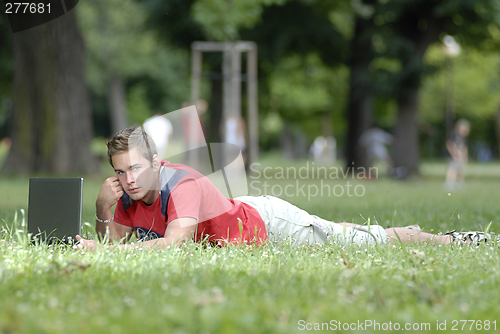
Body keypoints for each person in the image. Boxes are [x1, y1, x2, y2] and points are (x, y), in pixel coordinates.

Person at [76, 127, 488, 250]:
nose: (129, 179)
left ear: (156, 163)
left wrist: (107, 250)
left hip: (269, 225)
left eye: (135, 169)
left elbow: (174, 243)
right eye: (120, 172)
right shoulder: (127, 195)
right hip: (244, 221)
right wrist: (101, 209)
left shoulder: (180, 182)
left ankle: (454, 239)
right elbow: (115, 245)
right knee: (347, 234)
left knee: (365, 241)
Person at [445, 119, 470, 189]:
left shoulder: (463, 138)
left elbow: (464, 148)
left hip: (460, 157)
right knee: (452, 169)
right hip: (454, 156)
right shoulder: (454, 135)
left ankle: (460, 183)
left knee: (461, 170)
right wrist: (453, 153)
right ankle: (449, 183)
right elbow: (449, 144)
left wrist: (465, 157)